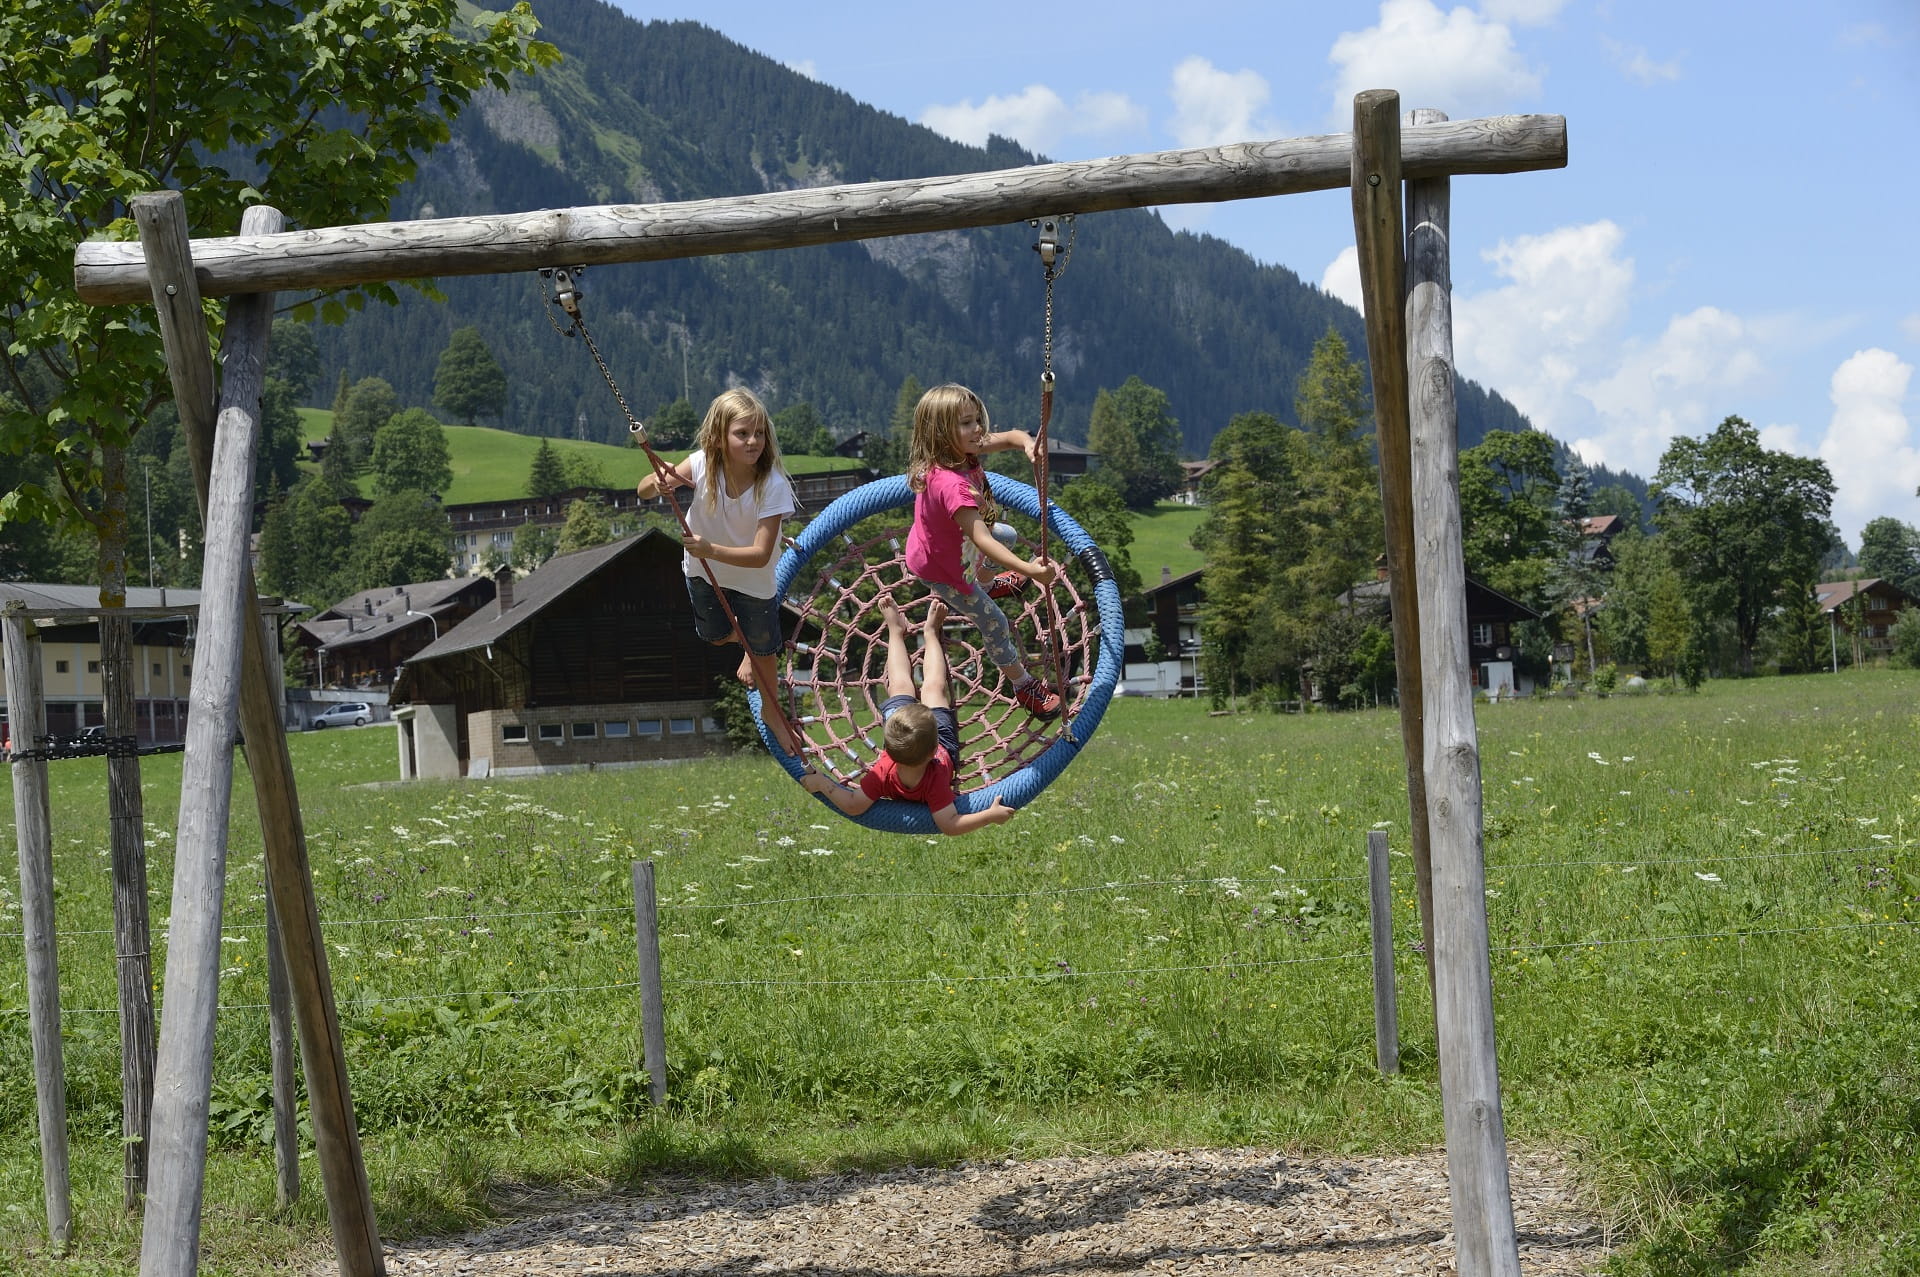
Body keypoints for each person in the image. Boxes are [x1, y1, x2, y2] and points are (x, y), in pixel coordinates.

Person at [637, 387, 802, 754]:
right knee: (713, 636)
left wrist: (711, 549)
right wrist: (657, 482)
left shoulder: (771, 485)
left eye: (759, 433)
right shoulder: (699, 464)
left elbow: (760, 555)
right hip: (701, 572)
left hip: (754, 579)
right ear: (719, 437)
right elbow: (643, 490)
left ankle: (774, 714)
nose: (753, 441)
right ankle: (745, 643)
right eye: (742, 433)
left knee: (765, 647)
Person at [904, 382, 1062, 720]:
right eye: (966, 423)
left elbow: (1010, 436)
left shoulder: (963, 450)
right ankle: (1023, 685)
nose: (977, 429)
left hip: (956, 551)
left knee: (1007, 533)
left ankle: (988, 584)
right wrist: (1030, 570)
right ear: (941, 434)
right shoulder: (951, 485)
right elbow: (982, 541)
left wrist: (1028, 445)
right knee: (995, 621)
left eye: (976, 420)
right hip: (943, 571)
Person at [800, 595, 1016, 834]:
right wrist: (989, 816)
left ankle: (895, 630)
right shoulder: (934, 780)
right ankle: (931, 632)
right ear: (934, 752)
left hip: (907, 730)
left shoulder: (882, 771)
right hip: (939, 737)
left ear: (887, 749)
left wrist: (822, 783)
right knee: (933, 687)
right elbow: (950, 824)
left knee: (902, 685)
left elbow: (853, 805)